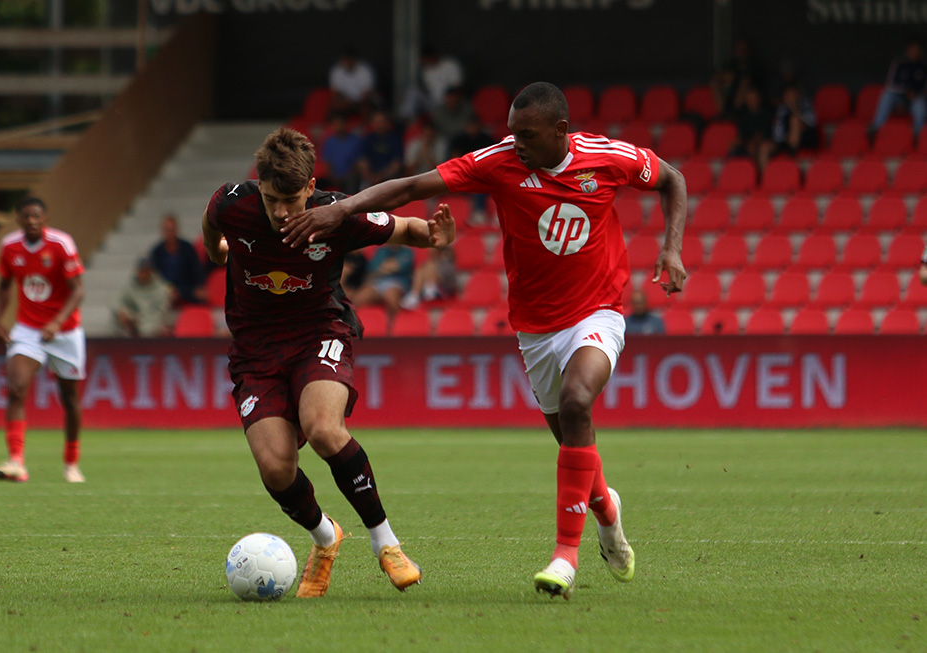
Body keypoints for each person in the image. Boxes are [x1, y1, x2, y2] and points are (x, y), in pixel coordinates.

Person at [282, 82, 688, 599]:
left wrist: (672, 249)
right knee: (571, 439)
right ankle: (606, 509)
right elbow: (412, 186)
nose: (516, 143)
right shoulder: (499, 161)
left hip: (598, 312)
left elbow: (672, 180)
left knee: (576, 402)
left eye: (527, 135)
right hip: (535, 328)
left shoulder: (607, 157)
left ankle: (565, 556)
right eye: (512, 133)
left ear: (560, 131)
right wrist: (342, 209)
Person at [200, 127, 456, 598]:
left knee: (323, 429)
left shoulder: (336, 213)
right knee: (276, 469)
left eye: (292, 200)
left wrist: (434, 237)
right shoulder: (232, 203)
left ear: (311, 187)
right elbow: (212, 222)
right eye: (272, 199)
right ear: (259, 186)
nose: (282, 212)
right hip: (255, 351)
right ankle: (325, 536)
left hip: (319, 333)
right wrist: (217, 250)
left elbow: (404, 228)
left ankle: (387, 544)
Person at [0, 196, 87, 484]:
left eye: (37, 216)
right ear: (18, 219)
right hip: (28, 329)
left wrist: (57, 322)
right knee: (16, 389)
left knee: (70, 399)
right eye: (26, 216)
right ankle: (16, 462)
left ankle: (71, 462)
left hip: (65, 331)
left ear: (45, 219)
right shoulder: (9, 247)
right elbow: (4, 285)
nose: (32, 221)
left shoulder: (61, 244)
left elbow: (78, 290)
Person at [870, 37, 927, 137]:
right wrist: (906, 91)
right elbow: (890, 84)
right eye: (911, 50)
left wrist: (915, 94)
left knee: (920, 106)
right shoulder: (899, 63)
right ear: (907, 51)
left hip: (916, 98)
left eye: (916, 51)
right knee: (887, 95)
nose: (914, 53)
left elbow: (925, 87)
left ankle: (918, 136)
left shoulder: (923, 65)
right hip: (899, 97)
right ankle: (875, 129)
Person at [150, 213, 207, 305]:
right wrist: (168, 289)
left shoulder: (187, 248)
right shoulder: (157, 252)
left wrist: (199, 286)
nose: (170, 233)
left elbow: (196, 269)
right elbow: (155, 276)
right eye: (167, 230)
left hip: (187, 288)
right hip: (165, 290)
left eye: (172, 230)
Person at [349, 242, 415, 319]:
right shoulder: (381, 251)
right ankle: (350, 322)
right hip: (378, 282)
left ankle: (393, 325)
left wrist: (384, 268)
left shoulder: (407, 252)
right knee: (359, 298)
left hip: (397, 282)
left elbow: (398, 267)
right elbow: (372, 268)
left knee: (391, 298)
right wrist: (386, 268)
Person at [113, 257, 175, 337]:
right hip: (133, 319)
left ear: (151, 272)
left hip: (153, 322)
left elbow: (160, 313)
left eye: (145, 271)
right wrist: (123, 313)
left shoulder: (161, 289)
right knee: (114, 323)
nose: (143, 274)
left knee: (148, 329)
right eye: (141, 271)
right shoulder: (129, 287)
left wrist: (140, 321)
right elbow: (116, 302)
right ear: (137, 271)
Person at [356, 110, 404, 190]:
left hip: (388, 177)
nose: (379, 125)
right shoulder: (368, 139)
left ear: (387, 123)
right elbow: (362, 160)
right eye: (376, 122)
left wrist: (380, 177)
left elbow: (396, 164)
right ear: (372, 123)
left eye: (382, 122)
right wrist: (369, 176)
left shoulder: (395, 139)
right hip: (371, 176)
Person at [320, 112, 363, 195]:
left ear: (346, 124)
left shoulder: (355, 141)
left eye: (340, 124)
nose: (338, 127)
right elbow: (327, 164)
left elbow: (358, 163)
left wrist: (350, 174)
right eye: (335, 124)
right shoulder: (329, 142)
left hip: (350, 176)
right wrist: (332, 178)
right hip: (333, 177)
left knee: (351, 182)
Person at [772, 83, 819, 156]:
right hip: (787, 141)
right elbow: (777, 135)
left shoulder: (806, 104)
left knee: (794, 120)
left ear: (798, 95)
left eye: (792, 95)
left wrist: (795, 110)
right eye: (787, 95)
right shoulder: (782, 110)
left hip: (807, 138)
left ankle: (792, 154)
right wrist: (786, 136)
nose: (790, 98)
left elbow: (813, 122)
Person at [328, 47, 377, 117]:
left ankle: (365, 124)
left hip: (362, 101)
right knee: (334, 104)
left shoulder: (365, 70)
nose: (345, 62)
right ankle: (336, 123)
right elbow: (336, 92)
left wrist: (355, 102)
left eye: (347, 59)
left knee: (366, 105)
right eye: (343, 60)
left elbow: (367, 93)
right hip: (346, 101)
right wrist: (344, 101)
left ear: (353, 59)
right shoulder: (336, 70)